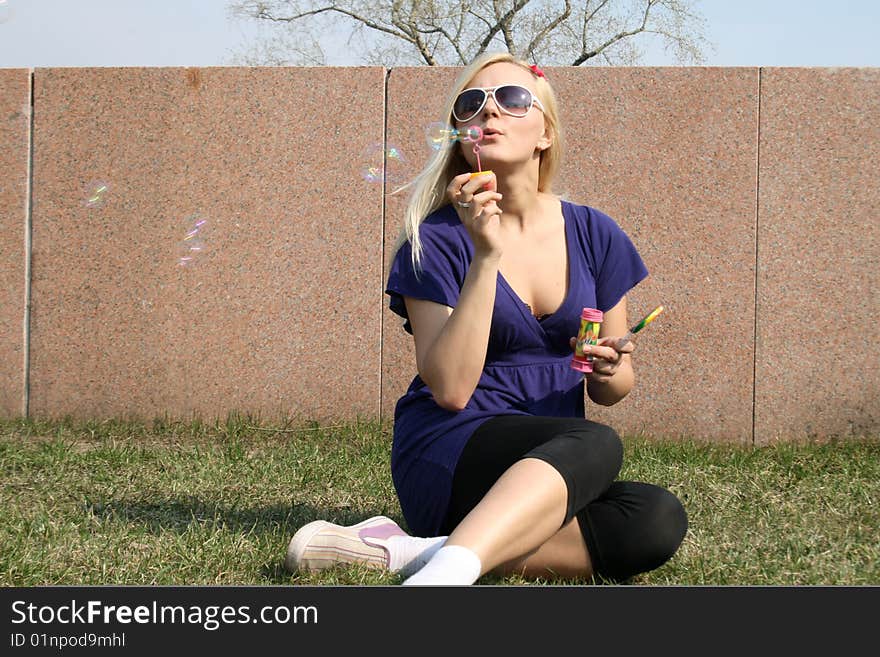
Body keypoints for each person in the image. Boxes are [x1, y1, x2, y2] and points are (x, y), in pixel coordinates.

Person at [285, 52, 687, 585]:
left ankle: (417, 554)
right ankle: (440, 579)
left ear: (546, 132)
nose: (489, 112)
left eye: (512, 99)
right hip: (453, 447)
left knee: (655, 519)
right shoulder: (436, 240)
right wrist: (486, 256)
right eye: (471, 104)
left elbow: (612, 392)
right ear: (460, 133)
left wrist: (611, 371)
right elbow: (450, 389)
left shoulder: (596, 234)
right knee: (597, 444)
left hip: (548, 462)